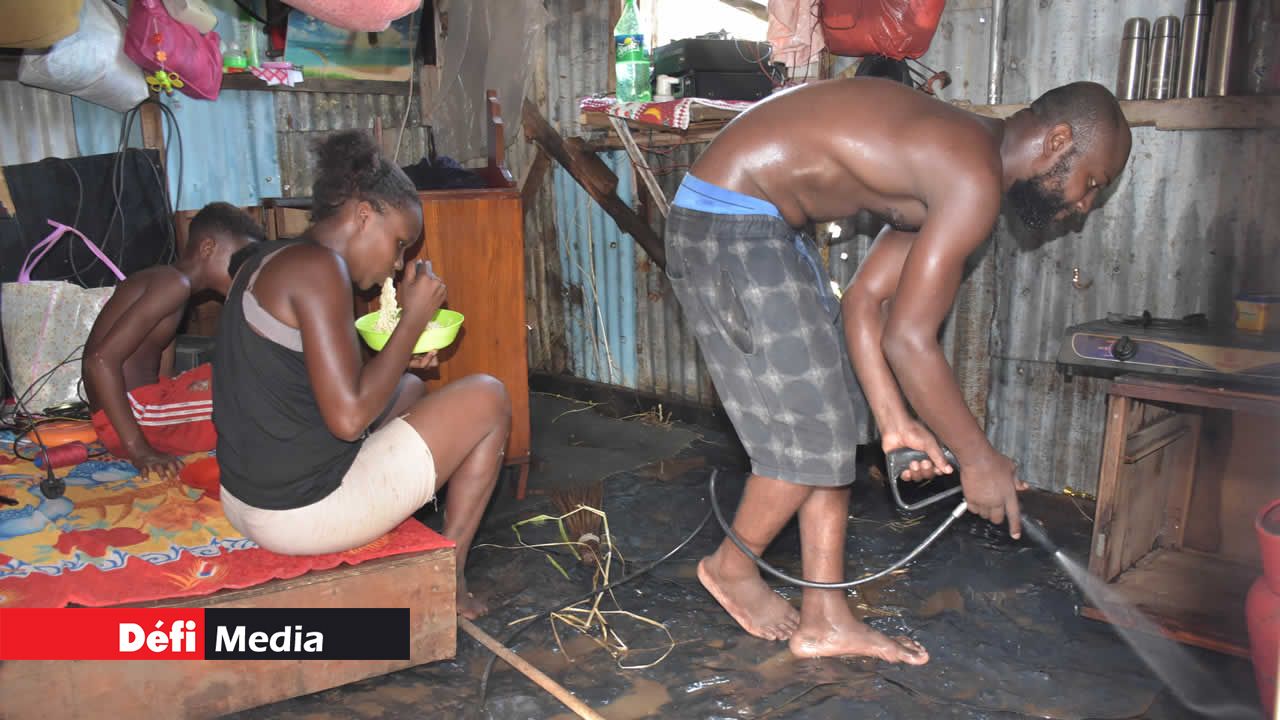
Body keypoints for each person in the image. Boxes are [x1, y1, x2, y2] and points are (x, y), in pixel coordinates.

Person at [665, 77, 1132, 663]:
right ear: (1058, 139)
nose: (1084, 207)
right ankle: (732, 567)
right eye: (1090, 183)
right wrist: (979, 460)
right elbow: (911, 341)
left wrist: (893, 421)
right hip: (728, 224)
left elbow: (867, 303)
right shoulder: (972, 174)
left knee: (839, 422)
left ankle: (825, 616)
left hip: (769, 229)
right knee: (812, 436)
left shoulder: (956, 166)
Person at [211, 130, 509, 619]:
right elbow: (348, 420)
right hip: (298, 515)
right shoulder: (321, 271)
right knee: (489, 397)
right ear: (364, 215)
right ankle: (448, 580)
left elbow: (313, 385)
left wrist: (398, 357)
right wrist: (411, 323)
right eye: (398, 244)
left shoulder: (274, 258)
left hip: (244, 499)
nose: (396, 264)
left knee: (410, 385)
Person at [83, 202, 263, 480]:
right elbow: (100, 361)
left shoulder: (170, 283)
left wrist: (182, 393)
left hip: (144, 410)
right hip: (132, 417)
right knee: (250, 388)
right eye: (240, 260)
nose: (245, 272)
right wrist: (140, 450)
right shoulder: (173, 284)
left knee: (235, 372)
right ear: (207, 248)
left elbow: (162, 358)